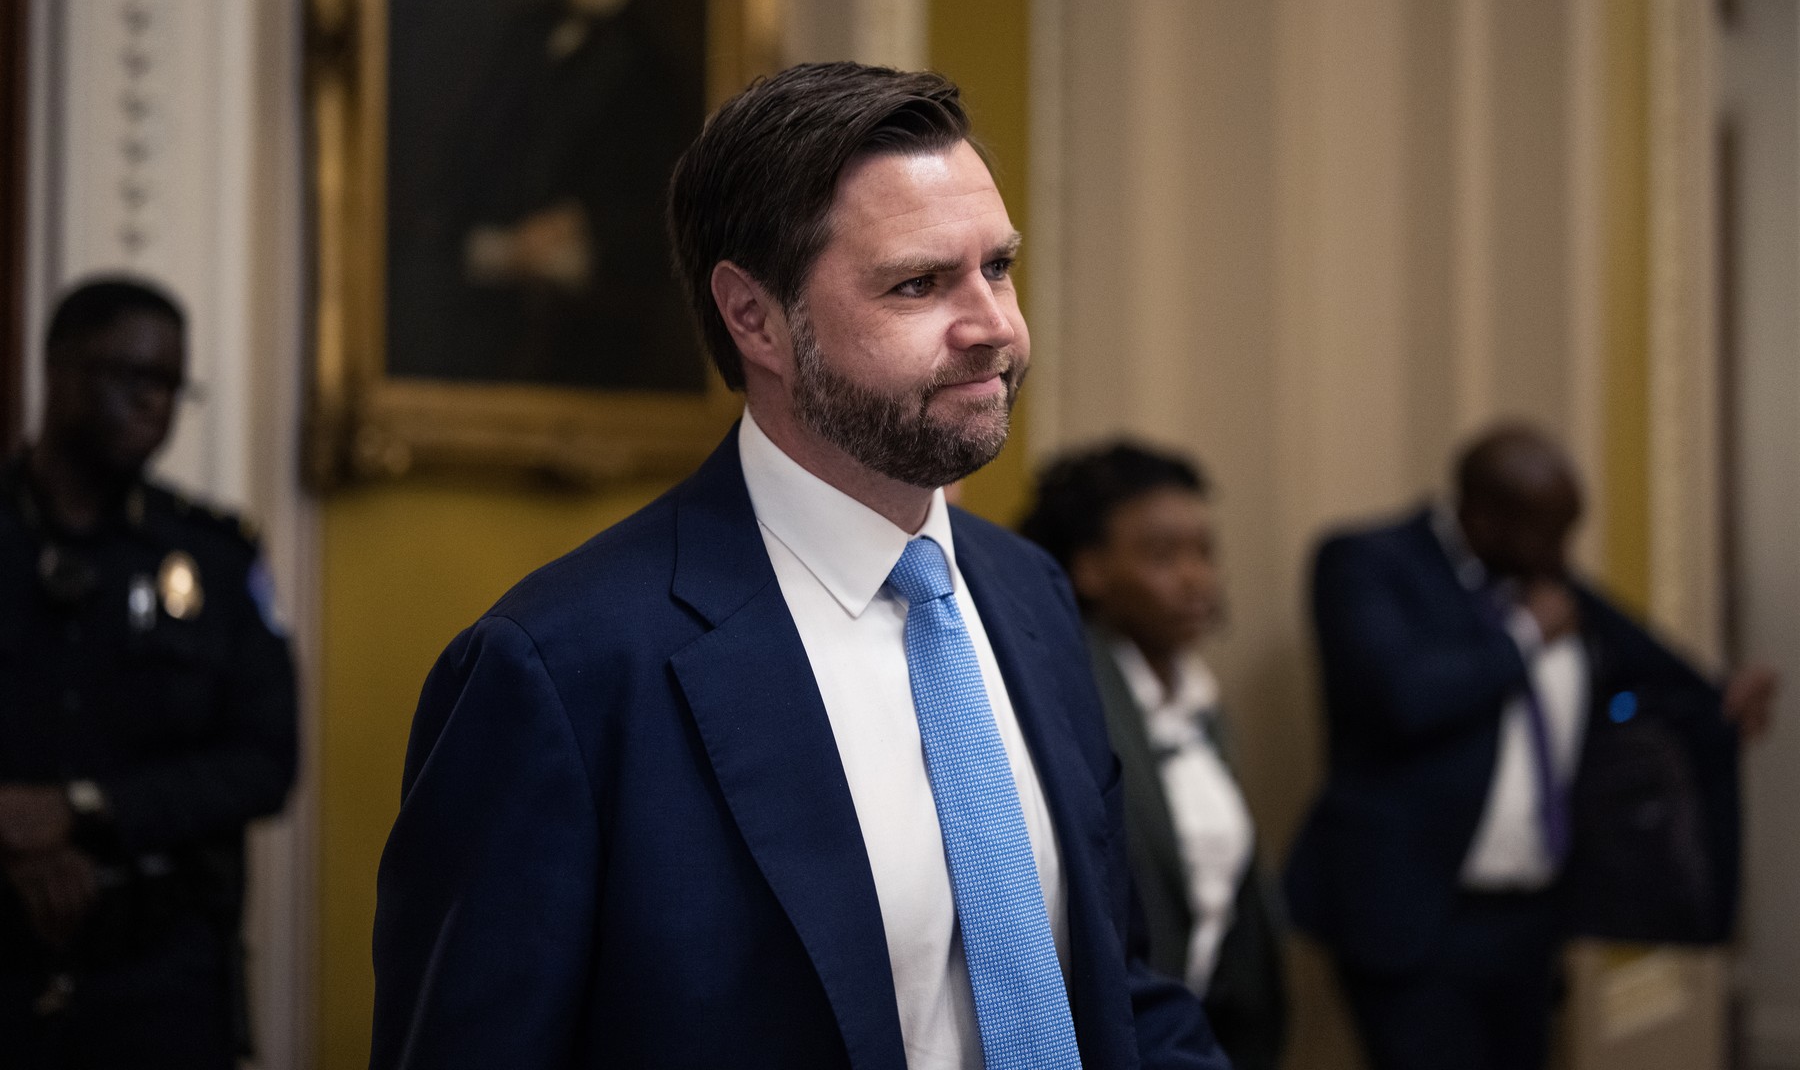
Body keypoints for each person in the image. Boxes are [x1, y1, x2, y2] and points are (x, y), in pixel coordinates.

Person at [370, 63, 1227, 1069]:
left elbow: (1112, 988)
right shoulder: (561, 671)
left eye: (997, 267)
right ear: (755, 318)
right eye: (918, 283)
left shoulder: (1027, 593)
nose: (994, 325)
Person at [1284, 423, 1776, 1070]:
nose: (1563, 553)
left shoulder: (1549, 584)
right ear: (1483, 521)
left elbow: (1653, 673)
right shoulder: (1368, 564)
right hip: (1417, 921)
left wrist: (1724, 700)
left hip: (1531, 922)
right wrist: (1520, 639)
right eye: (1549, 533)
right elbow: (1401, 699)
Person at [0, 277, 298, 1069]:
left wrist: (81, 811)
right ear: (57, 368)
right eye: (131, 378)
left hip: (159, 979)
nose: (153, 405)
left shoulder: (214, 556)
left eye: (171, 386)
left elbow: (266, 762)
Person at [1020, 442, 1289, 1070]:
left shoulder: (1196, 696)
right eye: (1164, 556)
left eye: (1204, 553)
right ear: (1088, 569)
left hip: (1198, 1030)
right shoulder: (1071, 691)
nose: (1197, 578)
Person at [396, 0, 705, 390]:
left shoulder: (658, 68)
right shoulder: (523, 41)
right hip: (492, 316)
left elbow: (673, 210)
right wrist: (496, 242)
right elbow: (463, 171)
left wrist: (581, 225)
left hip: (603, 337)